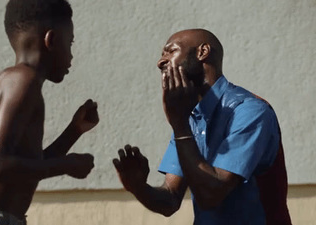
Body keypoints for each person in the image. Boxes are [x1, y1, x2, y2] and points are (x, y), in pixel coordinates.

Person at [0, 0, 99, 224]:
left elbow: (26, 167)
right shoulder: (22, 80)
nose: (71, 56)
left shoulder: (23, 82)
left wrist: (74, 131)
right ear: (51, 40)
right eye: (70, 43)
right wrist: (67, 165)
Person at [113, 29, 291, 224]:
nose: (160, 62)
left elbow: (211, 195)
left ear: (202, 52)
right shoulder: (189, 117)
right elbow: (170, 199)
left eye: (170, 52)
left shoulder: (249, 111)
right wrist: (138, 187)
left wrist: (180, 126)